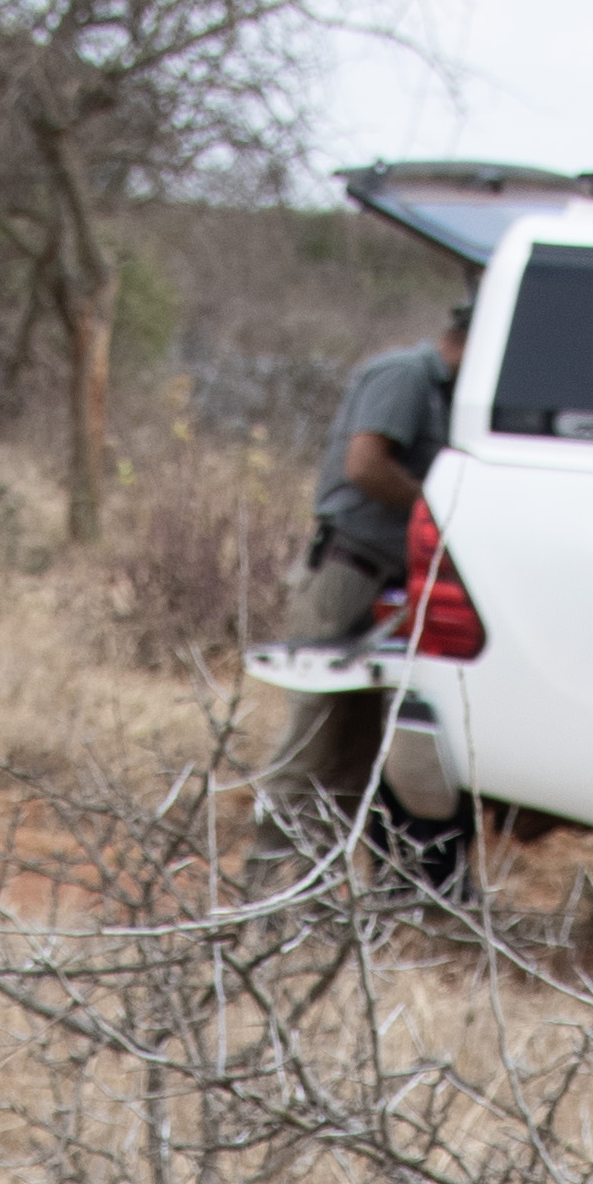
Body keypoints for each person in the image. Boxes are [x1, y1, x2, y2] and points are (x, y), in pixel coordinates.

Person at [265, 325, 459, 860]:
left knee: (356, 759)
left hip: (385, 580)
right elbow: (366, 465)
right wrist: (439, 509)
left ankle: (320, 910)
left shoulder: (441, 389)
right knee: (310, 748)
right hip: (346, 576)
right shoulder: (405, 375)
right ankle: (257, 898)